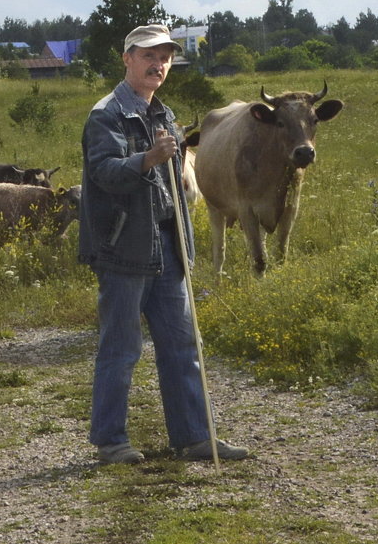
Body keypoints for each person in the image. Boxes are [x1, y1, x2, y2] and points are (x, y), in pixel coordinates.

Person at [79, 23, 248, 464]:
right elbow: (104, 173)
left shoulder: (164, 114)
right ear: (128, 59)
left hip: (167, 249)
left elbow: (175, 189)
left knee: (182, 345)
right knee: (121, 350)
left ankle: (194, 437)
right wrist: (147, 159)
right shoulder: (107, 114)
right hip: (122, 251)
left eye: (166, 57)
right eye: (150, 56)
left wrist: (186, 248)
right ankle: (111, 441)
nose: (159, 64)